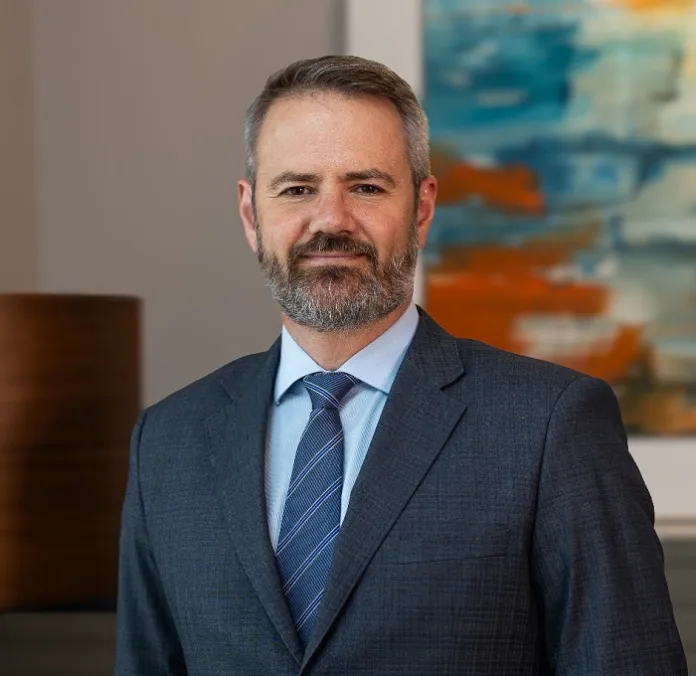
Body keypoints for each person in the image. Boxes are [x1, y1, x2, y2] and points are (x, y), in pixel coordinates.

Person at [114, 55, 687, 676]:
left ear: (421, 208)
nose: (331, 220)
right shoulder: (167, 442)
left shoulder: (549, 425)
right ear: (252, 215)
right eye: (297, 188)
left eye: (366, 187)